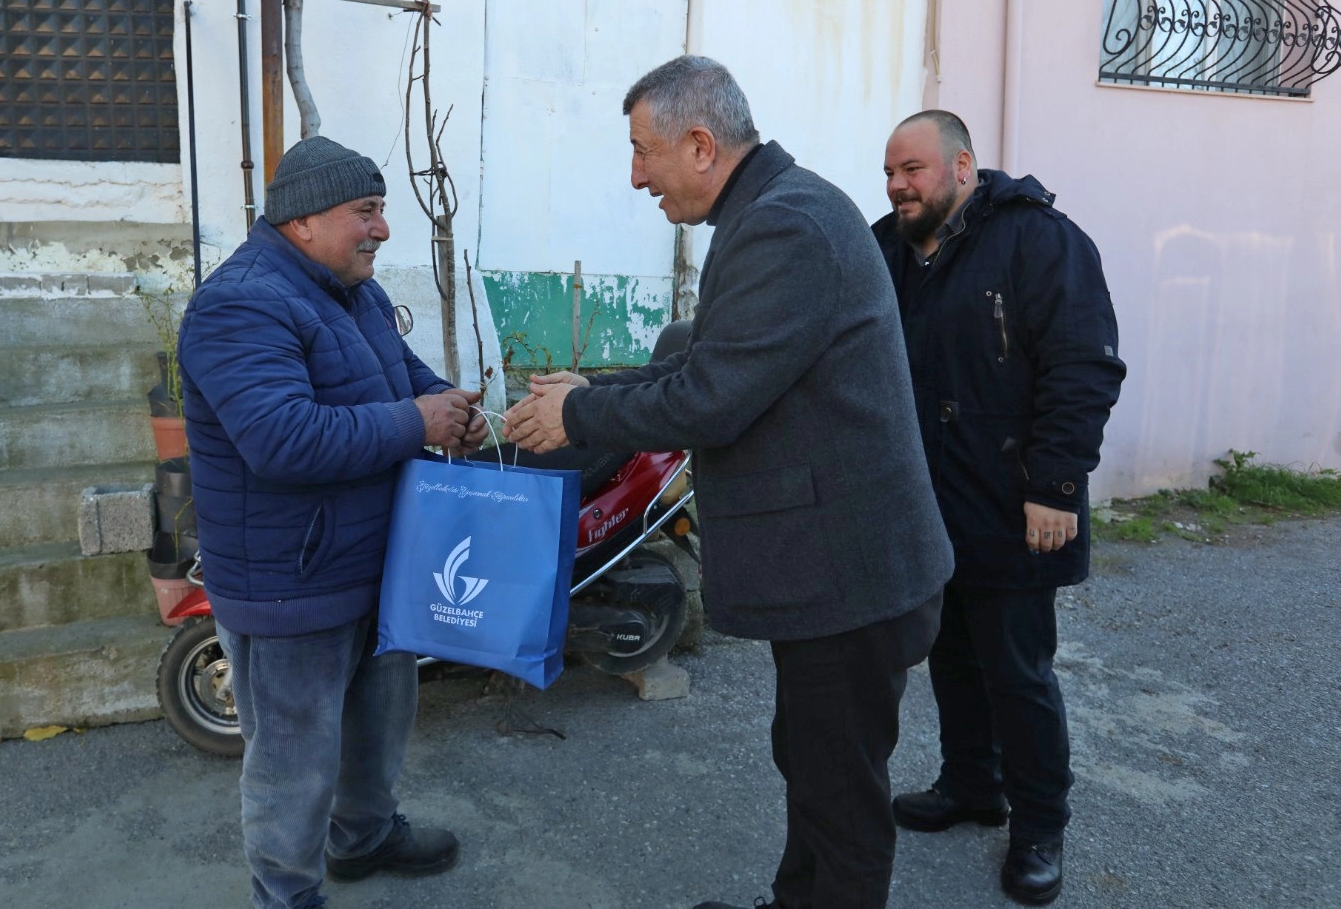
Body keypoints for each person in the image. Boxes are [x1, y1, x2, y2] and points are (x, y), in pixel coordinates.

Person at [503, 56, 954, 909]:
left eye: (645, 152)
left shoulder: (786, 226)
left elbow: (712, 398)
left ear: (701, 144)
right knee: (811, 761)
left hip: (847, 573)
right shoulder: (776, 212)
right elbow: (709, 362)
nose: (636, 175)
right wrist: (593, 393)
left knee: (840, 793)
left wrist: (580, 417)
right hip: (840, 568)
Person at [178, 135, 487, 909]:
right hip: (291, 580)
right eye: (368, 211)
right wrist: (417, 422)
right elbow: (281, 439)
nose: (382, 229)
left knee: (377, 726)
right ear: (304, 221)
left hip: (372, 563)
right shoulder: (239, 302)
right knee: (292, 760)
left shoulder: (354, 291)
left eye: (380, 210)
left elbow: (403, 381)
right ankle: (286, 894)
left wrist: (452, 409)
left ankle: (365, 836)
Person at [874, 111, 1125, 906]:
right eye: (888, 172)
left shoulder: (1039, 240)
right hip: (926, 500)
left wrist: (1053, 488)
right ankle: (971, 785)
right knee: (948, 652)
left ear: (961, 166)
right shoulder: (889, 248)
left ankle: (1039, 826)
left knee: (1016, 671)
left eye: (911, 169)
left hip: (1014, 500)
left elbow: (1083, 367)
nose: (896, 185)